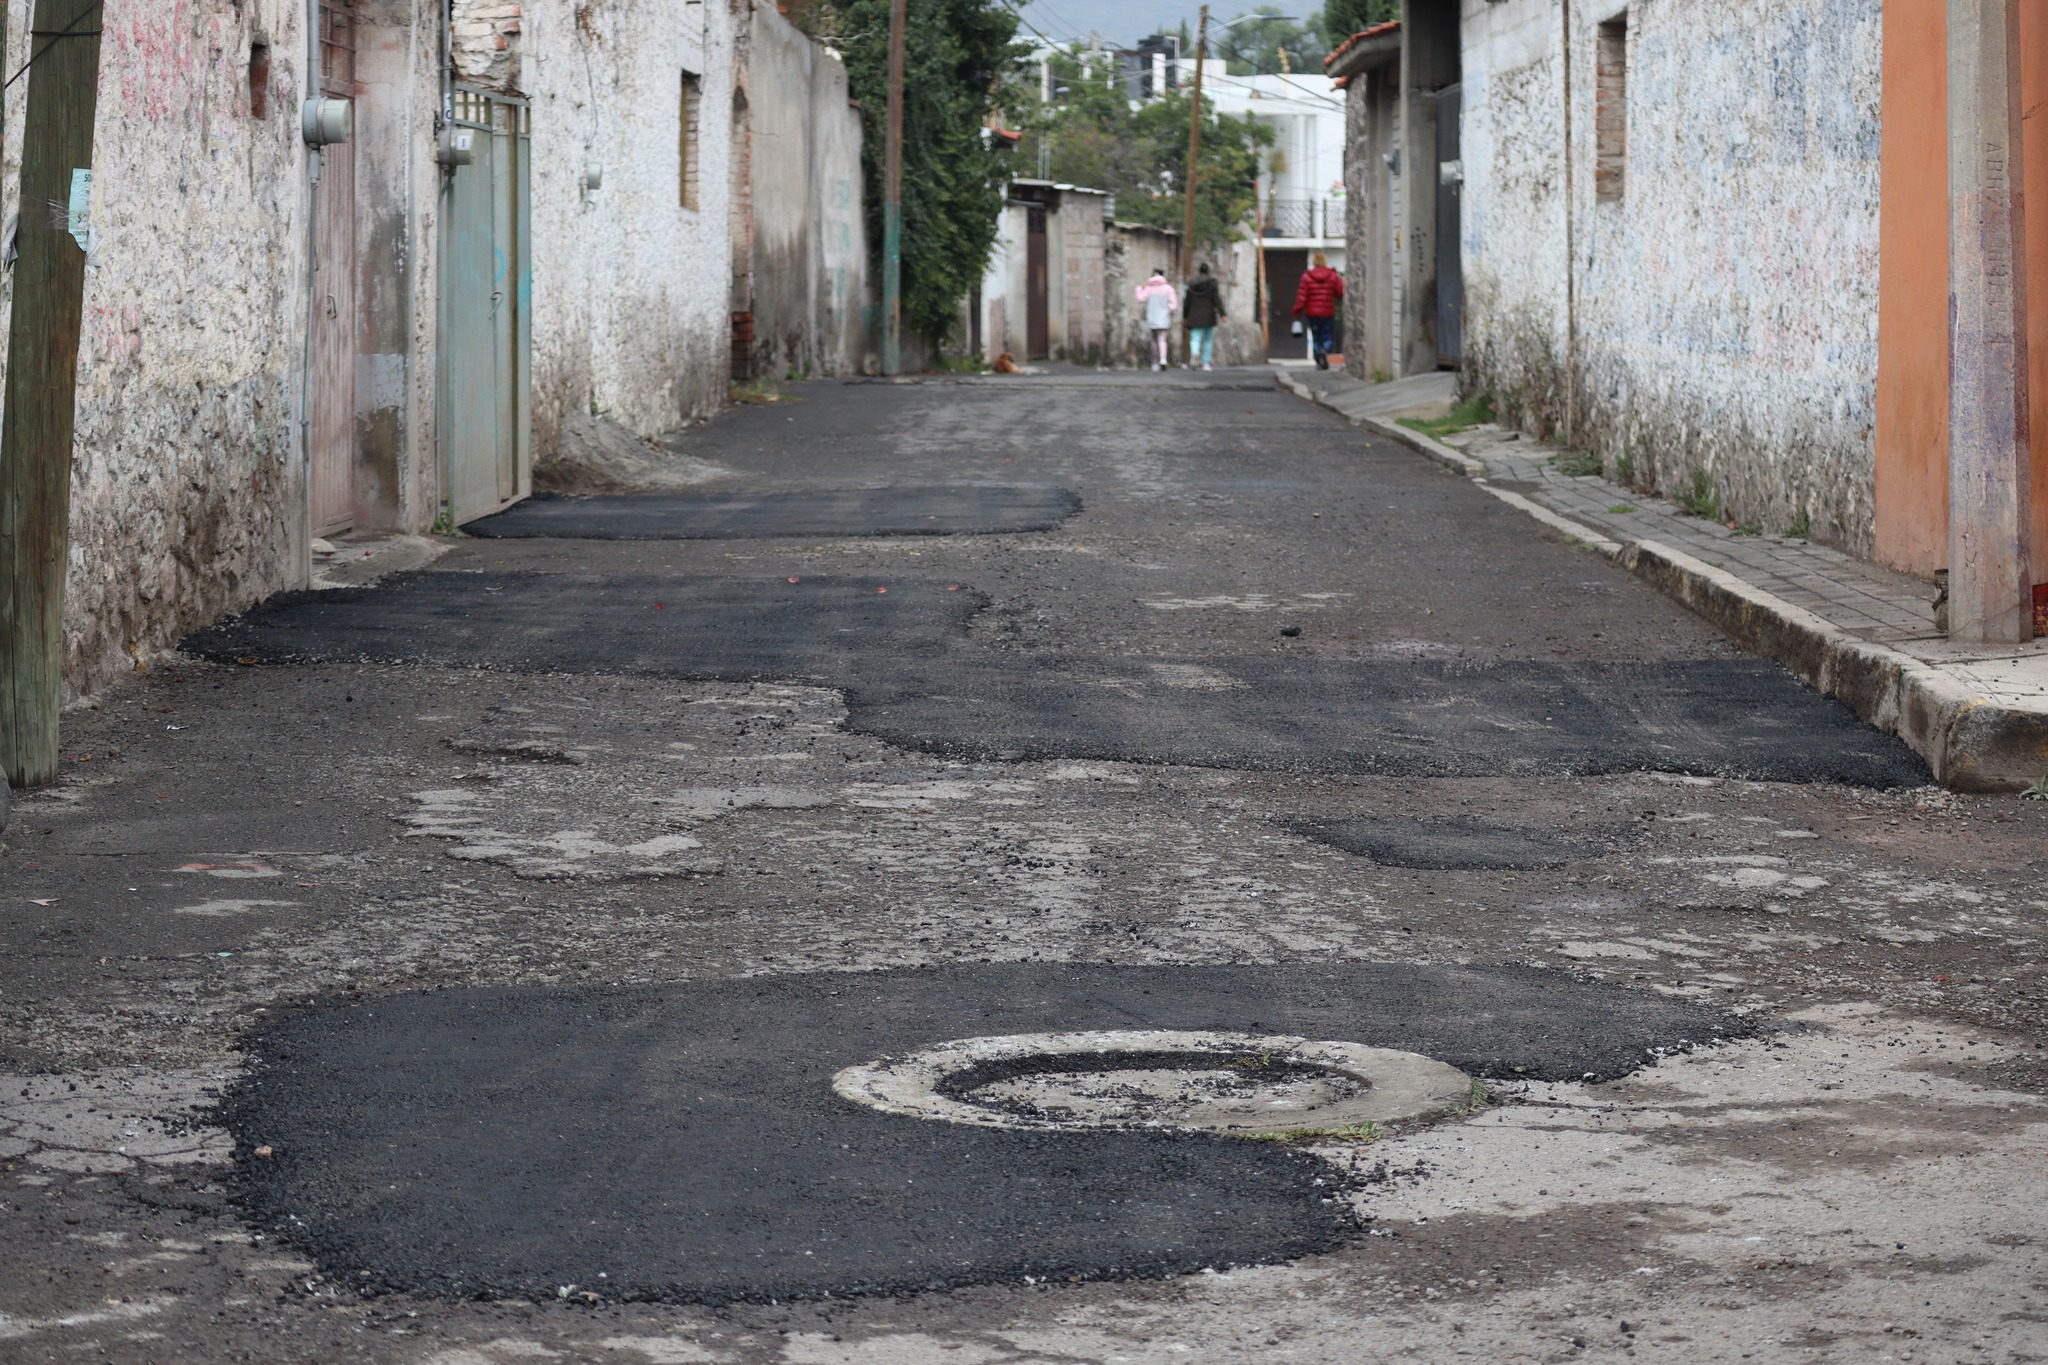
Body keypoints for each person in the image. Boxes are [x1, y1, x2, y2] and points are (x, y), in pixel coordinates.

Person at [1292, 251, 1345, 371]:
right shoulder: (1333, 276)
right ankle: (1325, 350)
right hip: (1327, 313)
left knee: (1316, 336)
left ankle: (1318, 359)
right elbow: (1340, 293)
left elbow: (1302, 297)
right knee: (1327, 335)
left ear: (1314, 262)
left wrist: (1296, 311)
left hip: (1312, 313)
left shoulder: (1306, 277)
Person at [1134, 267, 1178, 371]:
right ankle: (1163, 360)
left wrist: (1139, 288)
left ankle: (1154, 362)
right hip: (1164, 317)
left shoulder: (1149, 288)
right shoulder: (1168, 288)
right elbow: (1173, 305)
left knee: (1153, 340)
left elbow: (1140, 299)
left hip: (1152, 316)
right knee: (1162, 339)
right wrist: (1169, 311)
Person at [1183, 263, 1225, 371]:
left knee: (1195, 338)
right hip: (1208, 314)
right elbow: (1216, 299)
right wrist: (1222, 313)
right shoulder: (1212, 284)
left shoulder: (1191, 284)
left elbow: (1187, 301)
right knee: (1207, 339)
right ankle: (1206, 363)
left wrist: (1185, 315)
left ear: (1199, 271)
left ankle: (1195, 353)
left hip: (1194, 314)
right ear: (1208, 271)